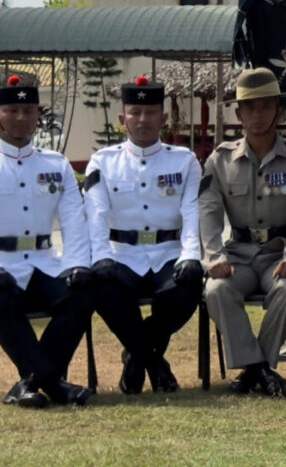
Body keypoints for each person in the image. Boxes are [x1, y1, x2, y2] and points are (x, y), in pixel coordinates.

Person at [199, 68, 286, 396]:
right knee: (216, 290)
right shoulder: (220, 160)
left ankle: (255, 370)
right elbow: (208, 214)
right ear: (238, 113)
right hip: (238, 252)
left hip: (279, 253)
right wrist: (213, 258)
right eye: (249, 107)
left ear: (278, 110)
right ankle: (259, 370)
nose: (257, 113)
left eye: (265, 106)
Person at [84, 77, 202, 396]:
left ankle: (137, 356)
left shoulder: (185, 161)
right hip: (121, 253)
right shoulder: (103, 162)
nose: (143, 119)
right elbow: (95, 214)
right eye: (134, 112)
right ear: (123, 119)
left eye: (150, 112)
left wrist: (192, 255)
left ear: (163, 119)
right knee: (104, 287)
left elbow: (191, 211)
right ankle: (152, 361)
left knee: (188, 286)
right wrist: (100, 257)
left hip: (168, 251)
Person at [0, 76, 94, 408]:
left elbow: (74, 219)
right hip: (2, 265)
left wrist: (78, 264)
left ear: (38, 114)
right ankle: (53, 383)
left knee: (82, 295)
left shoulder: (56, 165)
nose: (21, 118)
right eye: (12, 109)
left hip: (42, 261)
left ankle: (33, 382)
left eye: (28, 109)